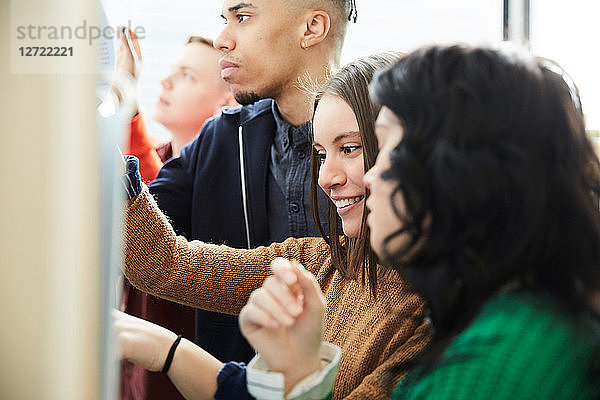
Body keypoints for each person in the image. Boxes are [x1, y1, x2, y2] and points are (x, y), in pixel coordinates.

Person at [243, 44, 600, 398]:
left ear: (460, 172)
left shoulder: (491, 367)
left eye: (390, 150)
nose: (371, 177)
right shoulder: (522, 317)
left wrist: (298, 372)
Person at [119, 53, 431, 399]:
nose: (326, 177)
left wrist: (170, 351)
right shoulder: (319, 263)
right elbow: (167, 266)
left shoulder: (431, 317)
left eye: (350, 148)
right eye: (322, 155)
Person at [144, 0, 357, 368]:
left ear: (312, 28)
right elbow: (123, 231)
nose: (221, 40)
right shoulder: (219, 139)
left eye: (242, 17)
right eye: (224, 20)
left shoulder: (386, 144)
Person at [116, 32, 236, 400]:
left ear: (228, 103)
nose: (165, 81)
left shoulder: (225, 184)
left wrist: (127, 101)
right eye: (171, 70)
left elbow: (149, 204)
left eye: (187, 75)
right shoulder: (159, 154)